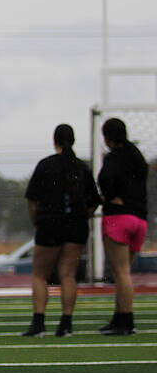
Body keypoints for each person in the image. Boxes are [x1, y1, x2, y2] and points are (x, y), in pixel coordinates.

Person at [22, 124, 101, 337]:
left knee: (40, 275)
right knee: (68, 274)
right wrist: (84, 216)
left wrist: (36, 221)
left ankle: (39, 322)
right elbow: (94, 201)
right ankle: (66, 323)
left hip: (49, 224)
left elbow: (32, 199)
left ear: (54, 140)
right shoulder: (81, 167)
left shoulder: (46, 165)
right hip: (76, 225)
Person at [97, 117, 148, 336]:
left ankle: (126, 320)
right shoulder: (136, 155)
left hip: (119, 218)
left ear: (107, 136)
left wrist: (110, 197)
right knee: (123, 272)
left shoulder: (114, 157)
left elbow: (104, 178)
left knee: (121, 272)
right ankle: (119, 317)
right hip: (140, 219)